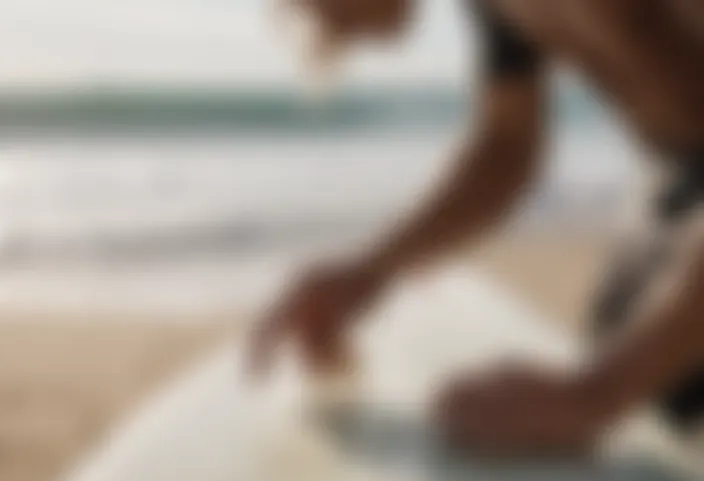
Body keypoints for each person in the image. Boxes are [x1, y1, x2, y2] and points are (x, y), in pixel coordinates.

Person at [250, 0, 704, 457]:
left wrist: (597, 394)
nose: (304, 17)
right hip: (673, 178)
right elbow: (507, 145)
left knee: (659, 389)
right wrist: (367, 272)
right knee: (640, 401)